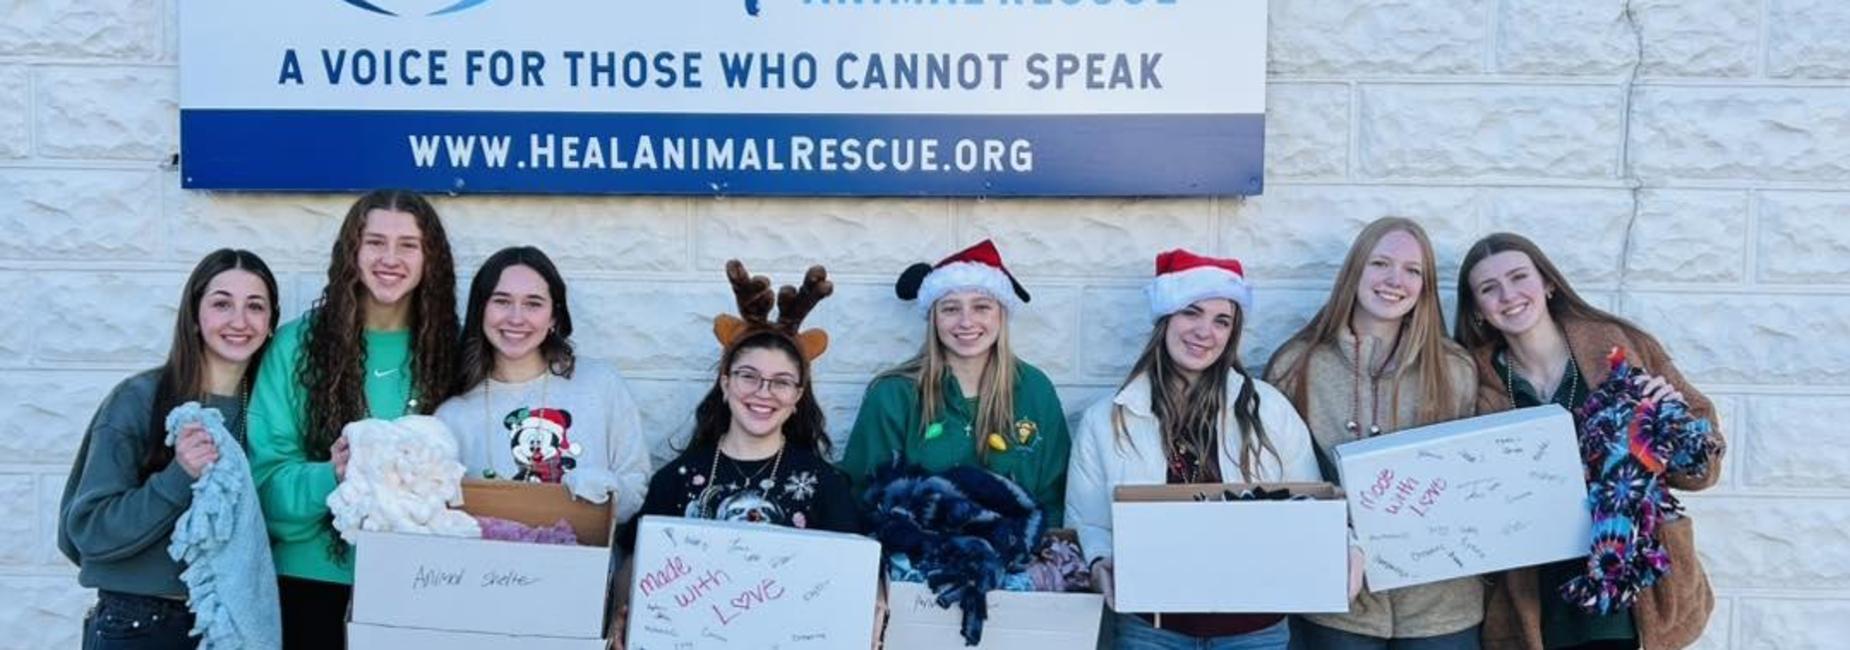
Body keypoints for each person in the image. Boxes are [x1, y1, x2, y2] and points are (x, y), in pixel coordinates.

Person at [1454, 233, 1724, 650]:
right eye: (1489, 288)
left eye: (1518, 277)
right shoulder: (1471, 379)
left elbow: (1700, 471)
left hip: (1634, 599)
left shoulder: (1617, 345)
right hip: (1537, 600)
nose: (1508, 295)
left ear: (1548, 283)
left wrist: (1672, 424)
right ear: (1478, 311)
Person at [1067, 249, 1321, 650]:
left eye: (1222, 321)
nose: (1205, 331)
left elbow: (1313, 505)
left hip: (1255, 629)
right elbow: (1089, 523)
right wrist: (1099, 564)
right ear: (1165, 319)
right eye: (1191, 312)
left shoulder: (1268, 409)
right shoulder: (1107, 420)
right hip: (1151, 628)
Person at [246, 189, 460, 649]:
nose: (390, 258)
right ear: (352, 252)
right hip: (313, 585)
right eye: (374, 242)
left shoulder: (455, 352)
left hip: (428, 585)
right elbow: (263, 483)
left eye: (408, 245)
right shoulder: (295, 347)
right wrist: (334, 475)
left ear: (431, 259)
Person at [1264, 218, 1481, 649]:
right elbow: (1277, 483)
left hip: (1442, 610)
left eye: (1412, 270)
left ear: (1426, 285)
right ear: (1355, 272)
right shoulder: (1297, 365)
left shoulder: (1456, 368)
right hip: (1337, 606)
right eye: (1380, 263)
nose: (1394, 280)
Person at [59, 249, 280, 650]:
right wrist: (178, 477)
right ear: (195, 317)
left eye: (255, 306)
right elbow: (86, 532)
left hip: (233, 629)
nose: (239, 321)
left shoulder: (272, 413)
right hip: (140, 625)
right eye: (221, 304)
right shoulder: (139, 400)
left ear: (270, 325)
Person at [623, 260, 859, 548]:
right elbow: (632, 574)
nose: (763, 391)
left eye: (781, 382)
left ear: (797, 396)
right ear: (725, 383)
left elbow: (850, 579)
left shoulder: (826, 486)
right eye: (748, 376)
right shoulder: (674, 480)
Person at [840, 239, 1070, 527]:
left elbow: (1055, 497)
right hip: (914, 560)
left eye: (981, 307)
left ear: (1001, 313)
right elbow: (863, 497)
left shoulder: (1035, 390)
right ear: (933, 318)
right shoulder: (893, 395)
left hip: (1020, 558)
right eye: (950, 309)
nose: (966, 322)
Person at [434, 246, 651, 523]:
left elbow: (636, 484)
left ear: (554, 317)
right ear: (480, 310)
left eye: (533, 303)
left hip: (585, 563)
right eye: (501, 301)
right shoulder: (452, 416)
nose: (516, 318)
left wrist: (609, 494)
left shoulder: (600, 385)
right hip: (491, 565)